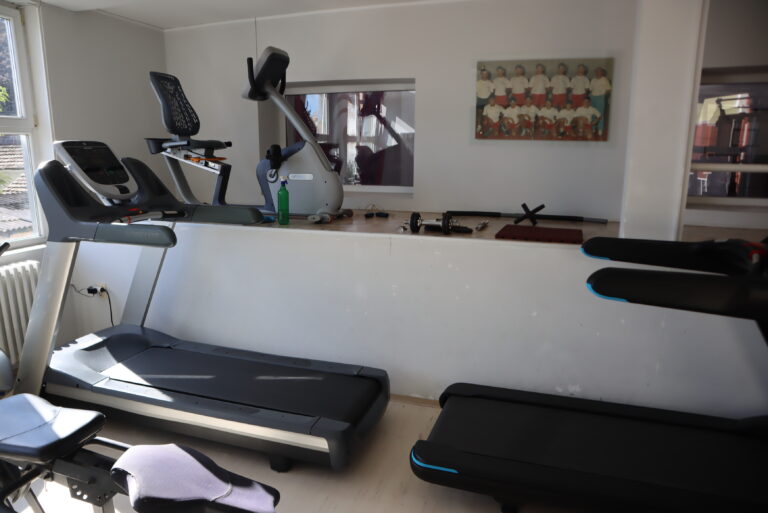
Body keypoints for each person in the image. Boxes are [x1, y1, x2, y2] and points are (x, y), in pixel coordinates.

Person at [589, 66, 611, 137]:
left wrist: (603, 95)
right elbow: (590, 89)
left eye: (599, 71)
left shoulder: (605, 80)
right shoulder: (593, 80)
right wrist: (591, 96)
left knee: (600, 114)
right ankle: (592, 128)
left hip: (600, 98)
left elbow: (608, 89)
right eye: (596, 71)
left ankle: (600, 129)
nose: (597, 72)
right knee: (592, 113)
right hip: (592, 97)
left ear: (602, 72)